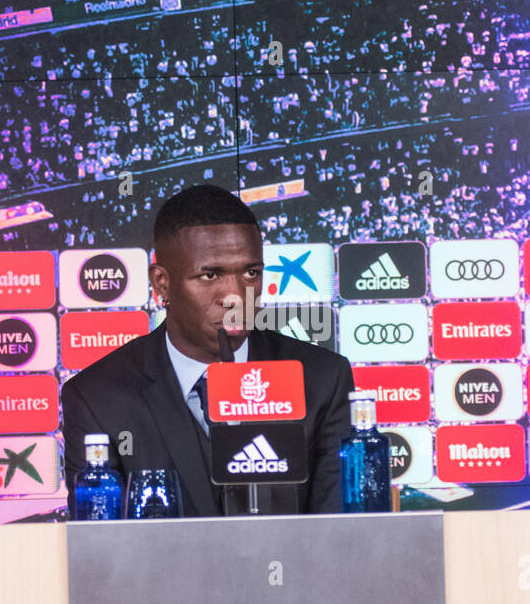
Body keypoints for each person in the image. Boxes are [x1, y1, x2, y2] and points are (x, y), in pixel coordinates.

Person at [61, 184, 353, 517]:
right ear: (161, 284)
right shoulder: (97, 397)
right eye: (210, 274)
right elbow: (102, 550)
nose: (234, 296)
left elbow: (339, 537)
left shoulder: (322, 378)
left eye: (251, 273)